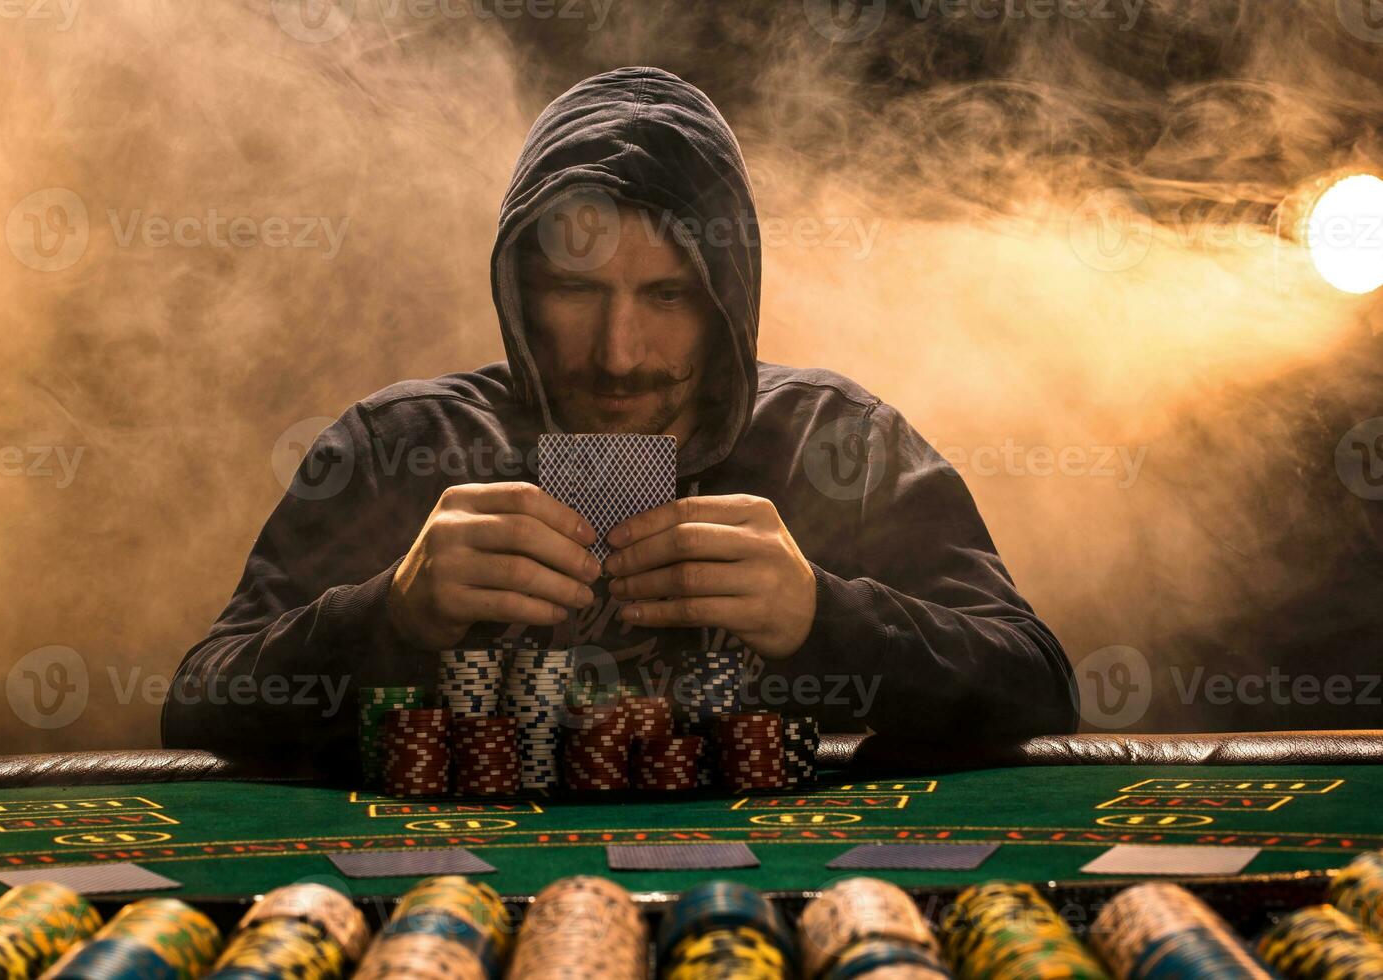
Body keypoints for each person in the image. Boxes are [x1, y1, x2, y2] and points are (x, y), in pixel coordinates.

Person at [162, 66, 1078, 762]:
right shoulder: (400, 446)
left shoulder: (839, 442)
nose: (618, 353)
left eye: (669, 296)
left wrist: (824, 617)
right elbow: (196, 704)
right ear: (520, 287)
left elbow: (1038, 689)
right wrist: (388, 614)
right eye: (574, 291)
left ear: (730, 299)